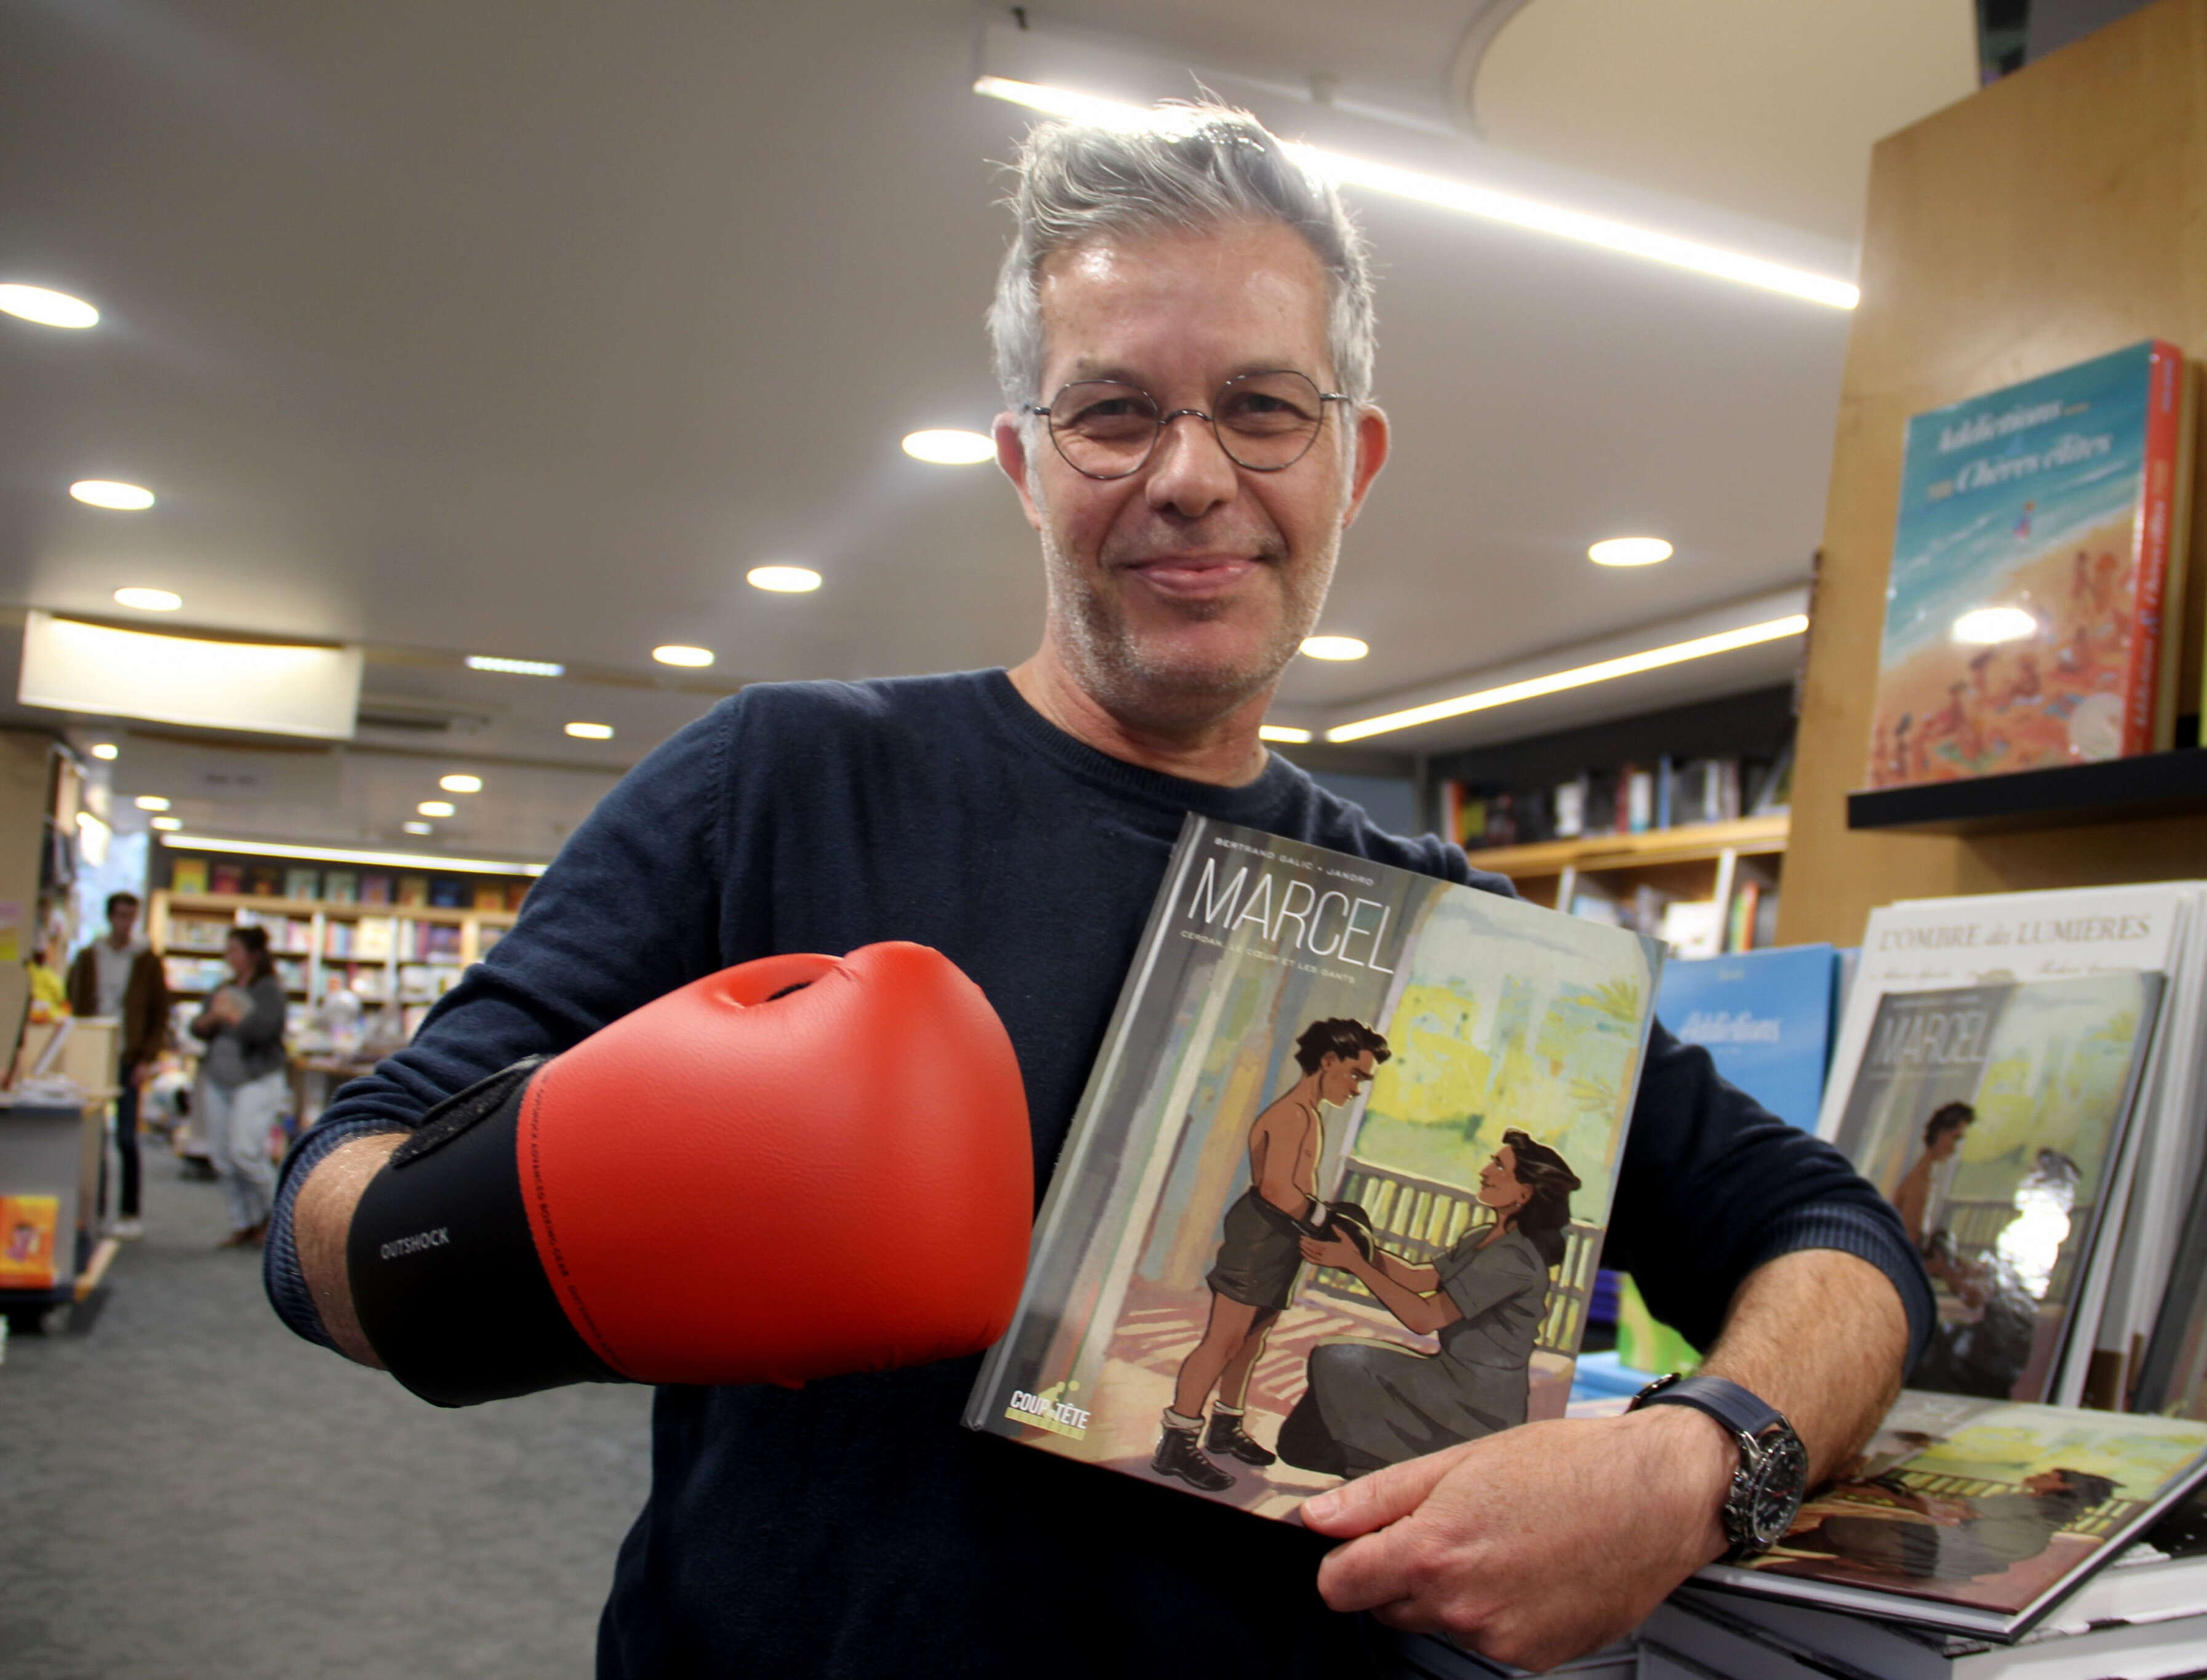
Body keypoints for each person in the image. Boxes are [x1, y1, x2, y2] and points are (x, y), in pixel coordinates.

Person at [265, 103, 1929, 1677]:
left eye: (1264, 408)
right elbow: (333, 1210)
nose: (1192, 473)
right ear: (1024, 457)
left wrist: (1703, 1470)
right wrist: (596, 1211)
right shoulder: (780, 782)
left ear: (1353, 456)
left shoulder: (1459, 939)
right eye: (1116, 410)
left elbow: (1839, 1240)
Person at [1160, 1016, 1388, 1491]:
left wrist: (1321, 1222)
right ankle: (1177, 1440)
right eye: (1355, 1074)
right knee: (1223, 1340)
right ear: (1327, 1062)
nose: (1357, 1087)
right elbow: (1277, 1187)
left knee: (1251, 1342)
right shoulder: (1291, 1115)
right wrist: (1330, 1220)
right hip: (1262, 1234)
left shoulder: (1311, 1113)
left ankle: (1225, 1425)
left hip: (1284, 1238)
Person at [1277, 1130, 1580, 1478]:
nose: (1484, 1171)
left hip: (1478, 1400)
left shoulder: (1516, 1260)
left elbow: (1425, 1318)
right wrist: (1361, 1248)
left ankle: (1377, 1466)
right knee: (1333, 1358)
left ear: (1525, 1194)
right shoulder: (1481, 1238)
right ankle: (1363, 1458)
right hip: (1449, 1375)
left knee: (1338, 1360)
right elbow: (1416, 1277)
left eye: (1498, 1166)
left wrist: (1355, 1264)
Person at [1790, 1465, 2120, 1582]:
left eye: (2050, 1475)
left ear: (2062, 1486)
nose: (2039, 1476)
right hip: (1940, 1557)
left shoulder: (2029, 1507)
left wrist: (1891, 1495)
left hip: (1933, 1546)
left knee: (1836, 1531)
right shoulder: (2040, 1535)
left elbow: (1947, 1509)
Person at [67, 890, 170, 1239]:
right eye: (120, 915)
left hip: (129, 1056)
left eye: (131, 916)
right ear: (110, 917)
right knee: (93, 1136)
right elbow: (75, 1002)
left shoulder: (146, 960)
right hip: (93, 1055)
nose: (125, 923)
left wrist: (147, 1058)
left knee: (127, 1137)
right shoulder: (88, 956)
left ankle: (129, 1212)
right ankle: (92, 1211)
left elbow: (160, 1012)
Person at [191, 926, 288, 1248]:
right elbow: (198, 1025)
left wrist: (230, 1015)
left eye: (235, 950)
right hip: (218, 1079)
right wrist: (211, 1019)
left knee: (245, 1151)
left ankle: (278, 1216)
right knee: (221, 1156)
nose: (229, 957)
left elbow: (264, 1030)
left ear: (253, 955)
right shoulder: (224, 987)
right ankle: (243, 1221)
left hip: (255, 1080)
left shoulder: (269, 990)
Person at [1889, 1101, 1973, 1249]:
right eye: (1956, 1138)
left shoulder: (1927, 1177)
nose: (1955, 1148)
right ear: (1941, 1134)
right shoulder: (1919, 1180)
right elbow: (1910, 1240)